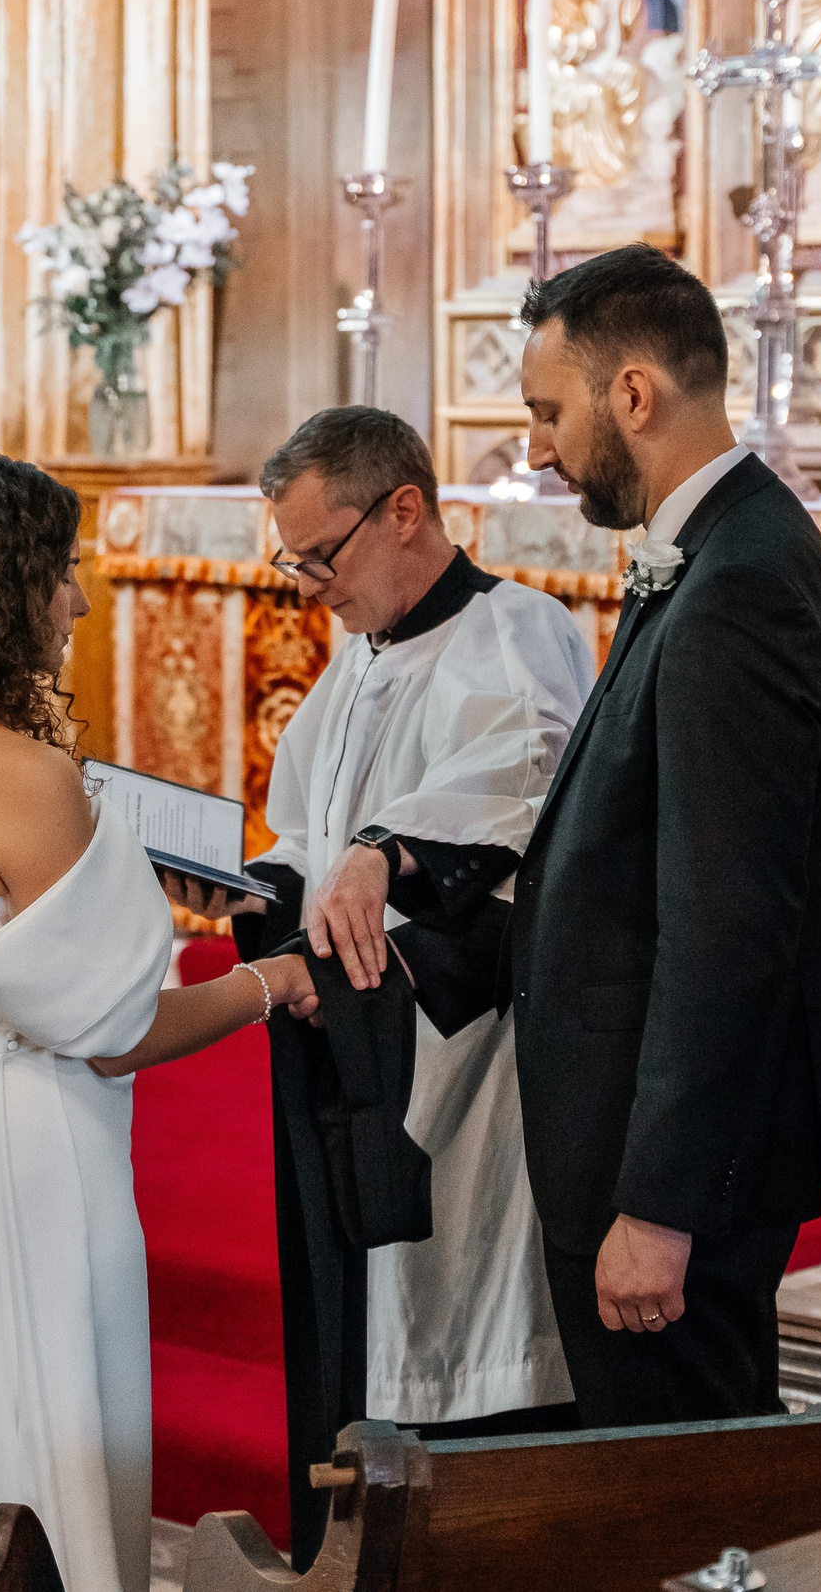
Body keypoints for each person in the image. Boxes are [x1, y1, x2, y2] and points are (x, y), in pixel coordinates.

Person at [0, 448, 319, 1592]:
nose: (77, 598)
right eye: (61, 570)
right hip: (29, 1144)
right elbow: (116, 1028)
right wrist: (267, 984)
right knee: (39, 1420)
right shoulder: (20, 773)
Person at [172, 407, 595, 1568]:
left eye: (324, 555)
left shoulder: (516, 637)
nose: (309, 586)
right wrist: (248, 883)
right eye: (292, 560)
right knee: (358, 1328)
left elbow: (521, 818)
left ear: (404, 509)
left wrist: (384, 853)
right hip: (355, 1045)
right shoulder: (365, 651)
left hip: (455, 1068)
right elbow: (309, 830)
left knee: (456, 1333)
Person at [502, 244, 821, 1428]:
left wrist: (659, 1208)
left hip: (670, 1176)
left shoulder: (741, 584)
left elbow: (729, 922)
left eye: (547, 411)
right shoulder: (714, 554)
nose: (538, 447)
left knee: (685, 1494)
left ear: (632, 395)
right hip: (638, 1149)